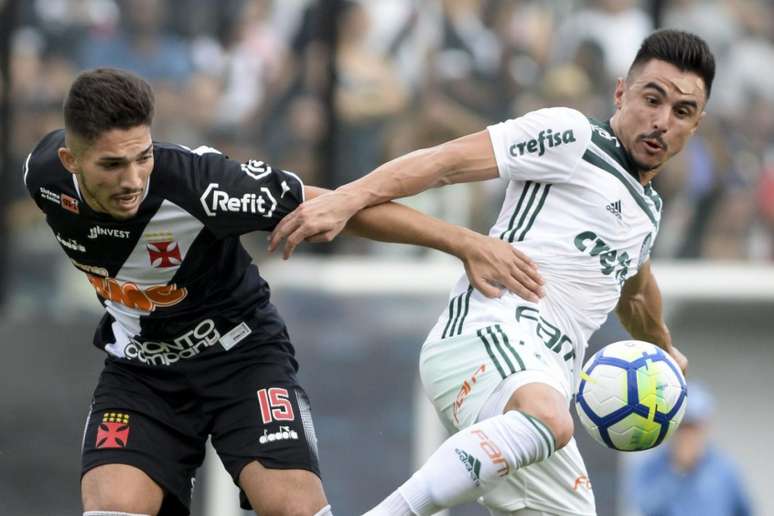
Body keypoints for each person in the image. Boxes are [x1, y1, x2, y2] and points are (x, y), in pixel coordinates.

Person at [22, 68, 544, 516]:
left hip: (241, 361)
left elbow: (341, 206)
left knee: (293, 506)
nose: (133, 178)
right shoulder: (41, 177)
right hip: (140, 371)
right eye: (112, 165)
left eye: (142, 157)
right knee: (112, 506)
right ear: (70, 161)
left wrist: (465, 243)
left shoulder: (203, 184)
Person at [270, 29, 714, 515]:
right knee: (551, 417)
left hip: (539, 390)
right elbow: (444, 163)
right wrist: (347, 198)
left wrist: (664, 347)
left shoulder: (647, 209)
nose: (662, 121)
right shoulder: (574, 136)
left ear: (695, 125)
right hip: (488, 334)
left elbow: (635, 292)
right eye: (652, 99)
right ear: (620, 92)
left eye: (682, 112)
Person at [629, 382, 753, 516]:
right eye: (683, 427)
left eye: (694, 428)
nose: (688, 436)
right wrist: (678, 471)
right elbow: (646, 507)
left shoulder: (724, 469)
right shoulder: (651, 465)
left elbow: (745, 510)